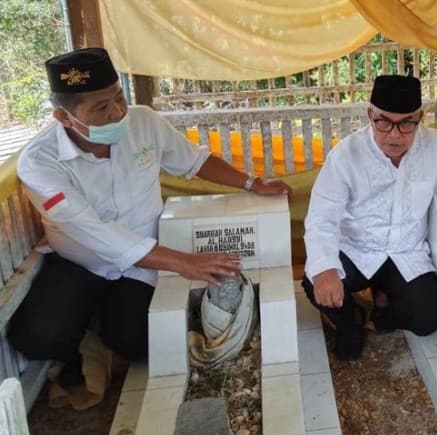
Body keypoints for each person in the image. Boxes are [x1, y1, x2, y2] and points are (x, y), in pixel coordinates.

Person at [7, 47, 292, 386]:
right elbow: (89, 229)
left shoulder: (142, 122)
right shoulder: (40, 162)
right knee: (37, 339)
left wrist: (252, 183)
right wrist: (183, 262)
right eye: (100, 107)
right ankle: (82, 339)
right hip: (79, 263)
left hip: (143, 263)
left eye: (118, 98)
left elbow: (194, 161)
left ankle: (101, 329)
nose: (117, 113)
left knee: (140, 342)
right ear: (64, 118)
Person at [303, 74, 437, 360]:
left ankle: (382, 307)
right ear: (370, 114)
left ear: (420, 118)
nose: (394, 134)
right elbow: (321, 217)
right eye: (383, 122)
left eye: (406, 124)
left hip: (406, 251)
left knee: (427, 320)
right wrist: (326, 270)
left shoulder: (436, 146)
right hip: (357, 249)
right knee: (315, 278)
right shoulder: (346, 156)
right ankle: (348, 323)